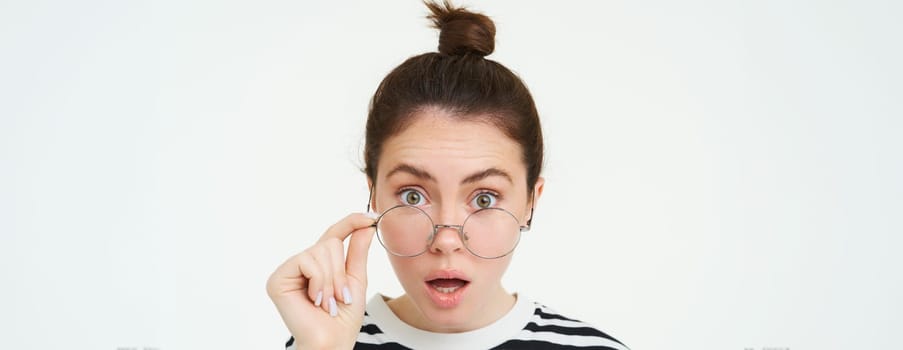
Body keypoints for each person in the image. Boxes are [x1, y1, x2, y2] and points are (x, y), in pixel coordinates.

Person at [266, 1, 629, 349]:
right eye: (413, 196)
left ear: (531, 203)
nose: (446, 240)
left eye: (485, 198)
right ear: (373, 195)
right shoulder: (322, 341)